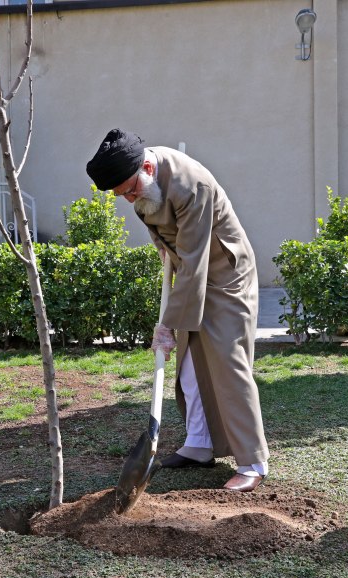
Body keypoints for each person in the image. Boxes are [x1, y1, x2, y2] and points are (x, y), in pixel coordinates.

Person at [86, 128, 270, 492]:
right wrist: (162, 246)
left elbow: (195, 262)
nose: (129, 199)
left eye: (130, 191)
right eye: (122, 195)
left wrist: (167, 326)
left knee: (228, 361)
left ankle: (253, 461)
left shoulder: (191, 186)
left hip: (225, 275)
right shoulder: (142, 181)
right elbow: (168, 236)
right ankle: (200, 444)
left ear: (147, 168)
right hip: (190, 270)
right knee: (188, 363)